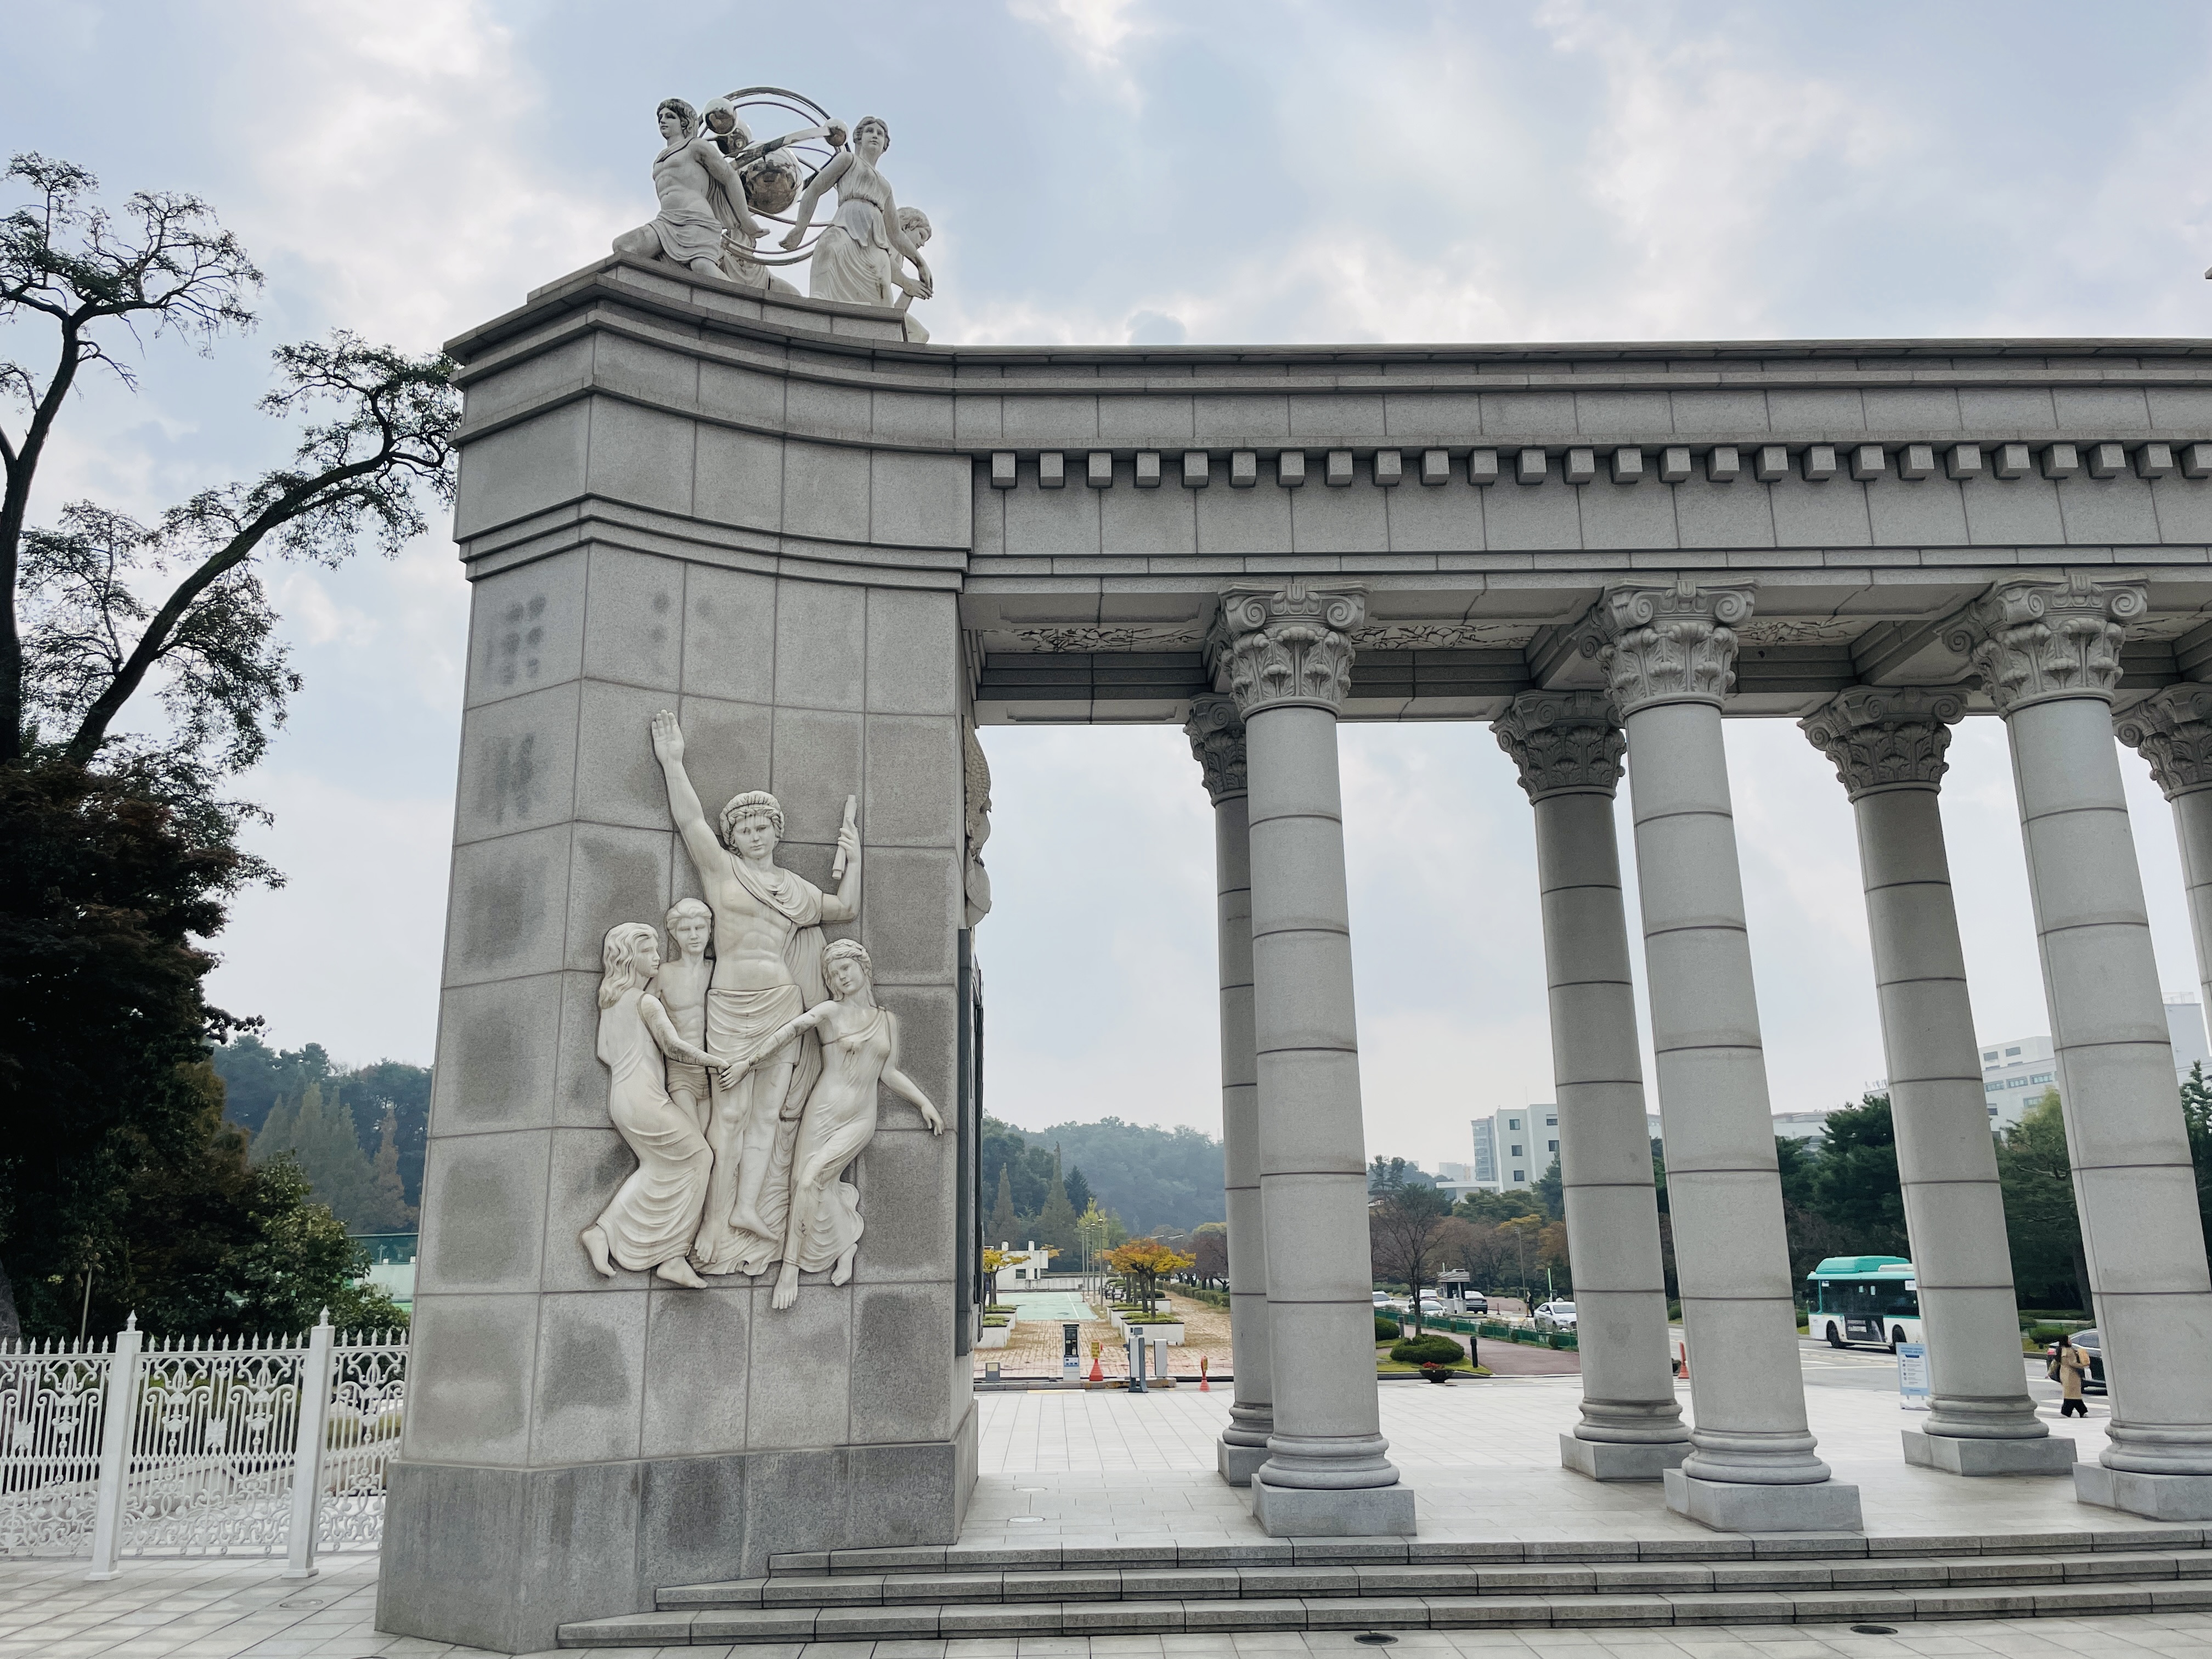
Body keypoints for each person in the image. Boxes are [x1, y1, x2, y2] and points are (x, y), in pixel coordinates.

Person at [648, 710, 860, 1278]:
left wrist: (855, 857)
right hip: (730, 1004)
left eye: (763, 826)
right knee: (729, 1116)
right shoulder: (721, 872)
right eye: (744, 829)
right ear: (732, 838)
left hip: (781, 1004)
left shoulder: (796, 889)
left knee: (767, 1117)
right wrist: (673, 762)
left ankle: (747, 1207)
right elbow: (689, 819)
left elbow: (846, 908)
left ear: (777, 831)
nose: (755, 835)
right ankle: (714, 1221)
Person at [730, 939, 944, 1309]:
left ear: (863, 967)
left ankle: (790, 1270)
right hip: (823, 1111)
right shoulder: (830, 1011)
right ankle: (845, 1246)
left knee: (811, 1179)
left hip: (860, 1117)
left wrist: (923, 1102)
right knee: (810, 1185)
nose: (841, 977)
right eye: (833, 973)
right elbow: (790, 1031)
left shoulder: (887, 1021)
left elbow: (889, 1073)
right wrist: (748, 1063)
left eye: (846, 968)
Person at [580, 923, 732, 1288]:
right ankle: (671, 1255)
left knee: (659, 1166)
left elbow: (604, 1052)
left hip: (622, 1098)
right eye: (649, 951)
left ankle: (604, 1232)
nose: (658, 957)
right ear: (631, 958)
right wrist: (716, 1062)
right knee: (700, 1157)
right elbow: (674, 1047)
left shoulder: (611, 1003)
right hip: (645, 1098)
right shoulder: (645, 1001)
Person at [780, 115, 932, 311]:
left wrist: (921, 264)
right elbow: (814, 190)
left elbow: (896, 234)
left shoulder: (886, 187)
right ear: (858, 138)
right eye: (870, 131)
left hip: (874, 245)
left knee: (881, 287)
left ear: (885, 146)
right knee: (830, 249)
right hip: (845, 228)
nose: (875, 136)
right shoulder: (848, 160)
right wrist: (800, 229)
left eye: (880, 134)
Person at [612, 98, 765, 277]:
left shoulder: (695, 146)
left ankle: (738, 296)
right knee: (624, 246)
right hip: (666, 220)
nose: (663, 121)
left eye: (670, 117)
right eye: (661, 117)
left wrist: (745, 219)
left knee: (702, 267)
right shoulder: (660, 158)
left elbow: (729, 176)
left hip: (696, 218)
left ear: (684, 122)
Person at [652, 899, 714, 1135]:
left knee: (712, 1143)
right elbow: (642, 1017)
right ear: (674, 934)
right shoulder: (665, 973)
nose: (694, 936)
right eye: (686, 930)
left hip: (715, 1072)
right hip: (681, 1071)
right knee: (693, 1138)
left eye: (699, 928)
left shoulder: (718, 971)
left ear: (710, 930)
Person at [2055, 1336, 2092, 1418]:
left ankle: (2073, 1411)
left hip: (2064, 1373)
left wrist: (2050, 1372)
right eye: (2069, 1339)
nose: (2070, 1341)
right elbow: (2073, 1363)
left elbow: (2055, 1362)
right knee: (2074, 1395)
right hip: (2072, 1375)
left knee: (2070, 1394)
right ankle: (2071, 1412)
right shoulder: (2070, 1351)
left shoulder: (2060, 1350)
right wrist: (2084, 1366)